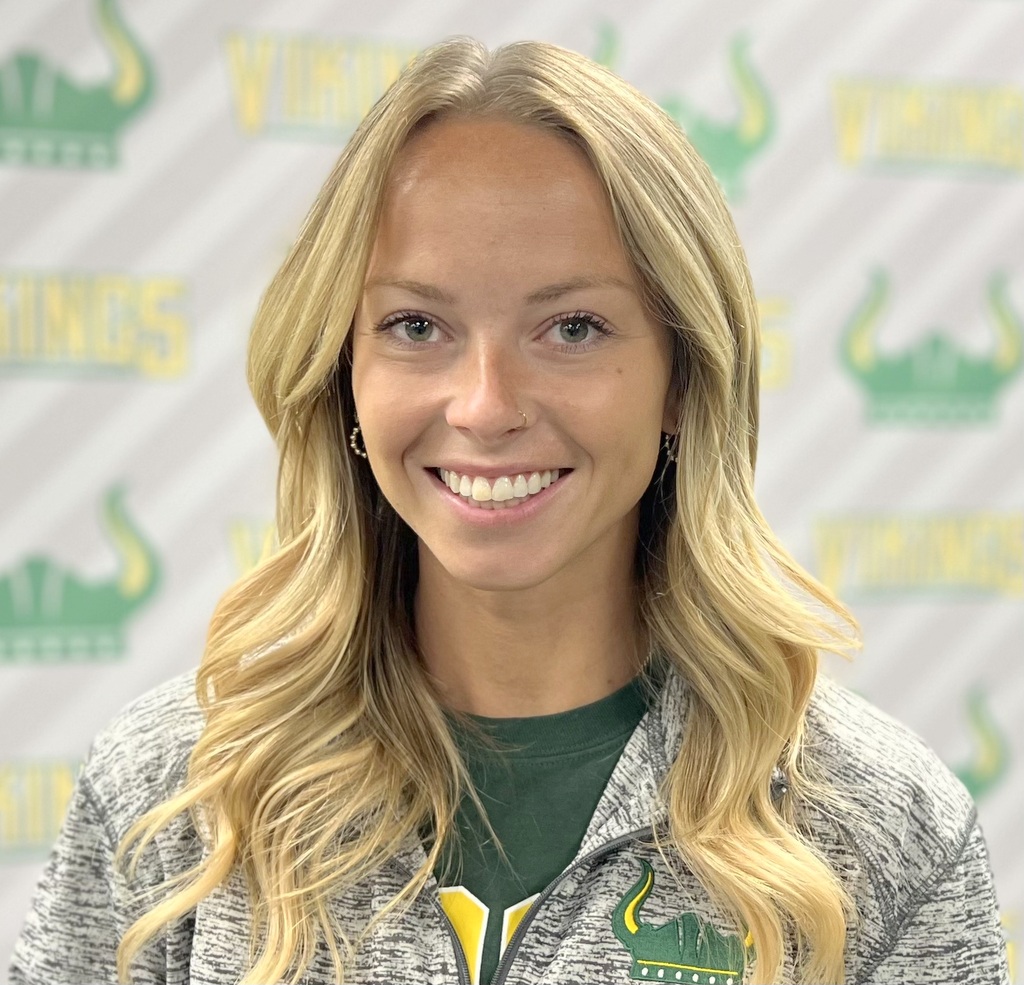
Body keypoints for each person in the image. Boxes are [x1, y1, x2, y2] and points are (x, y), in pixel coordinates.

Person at [9, 36, 1009, 985]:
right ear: (343, 369)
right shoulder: (172, 793)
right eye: (416, 325)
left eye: (571, 327)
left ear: (681, 378)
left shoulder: (879, 830)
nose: (485, 406)